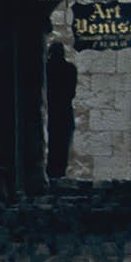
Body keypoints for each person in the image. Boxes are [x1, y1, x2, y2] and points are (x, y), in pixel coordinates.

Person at [46, 41, 77, 180]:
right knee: (63, 144)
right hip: (65, 112)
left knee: (52, 143)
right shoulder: (70, 69)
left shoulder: (46, 68)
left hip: (51, 112)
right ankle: (59, 172)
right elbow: (71, 93)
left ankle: (51, 172)